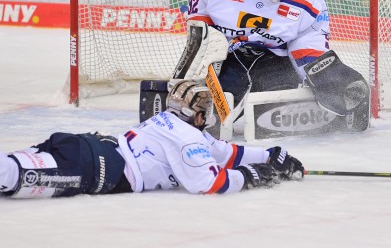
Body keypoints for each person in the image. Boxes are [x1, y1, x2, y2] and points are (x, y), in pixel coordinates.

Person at [170, 0, 369, 132]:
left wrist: (321, 72)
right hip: (231, 56)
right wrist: (207, 42)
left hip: (274, 59)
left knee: (272, 115)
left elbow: (308, 43)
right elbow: (200, 15)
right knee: (208, 116)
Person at [0, 80, 304, 198]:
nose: (208, 116)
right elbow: (209, 183)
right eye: (205, 111)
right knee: (10, 175)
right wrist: (250, 177)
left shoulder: (171, 122)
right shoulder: (188, 140)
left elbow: (226, 153)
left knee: (11, 166)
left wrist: (271, 155)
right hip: (92, 169)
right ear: (196, 114)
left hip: (84, 147)